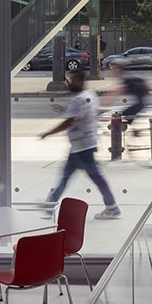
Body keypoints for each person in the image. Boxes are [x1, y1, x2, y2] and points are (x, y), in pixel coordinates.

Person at [40, 70, 121, 219]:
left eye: (72, 79)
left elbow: (69, 121)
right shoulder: (90, 95)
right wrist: (66, 110)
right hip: (83, 144)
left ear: (79, 81)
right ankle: (50, 205)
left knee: (94, 176)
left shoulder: (78, 99)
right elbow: (81, 114)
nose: (70, 82)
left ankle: (112, 207)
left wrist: (48, 133)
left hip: (82, 147)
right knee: (68, 175)